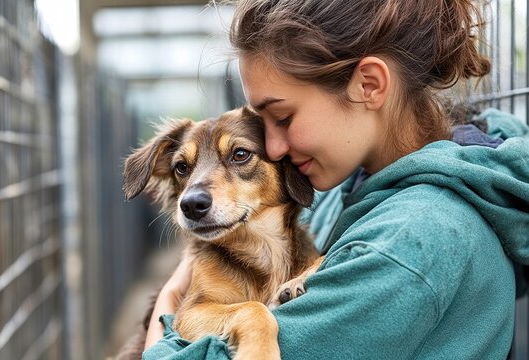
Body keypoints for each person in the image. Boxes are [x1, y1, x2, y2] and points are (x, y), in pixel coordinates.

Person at [142, 0, 529, 358]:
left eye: (283, 117)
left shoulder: (407, 242)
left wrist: (173, 296)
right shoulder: (347, 182)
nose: (273, 149)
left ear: (369, 85)